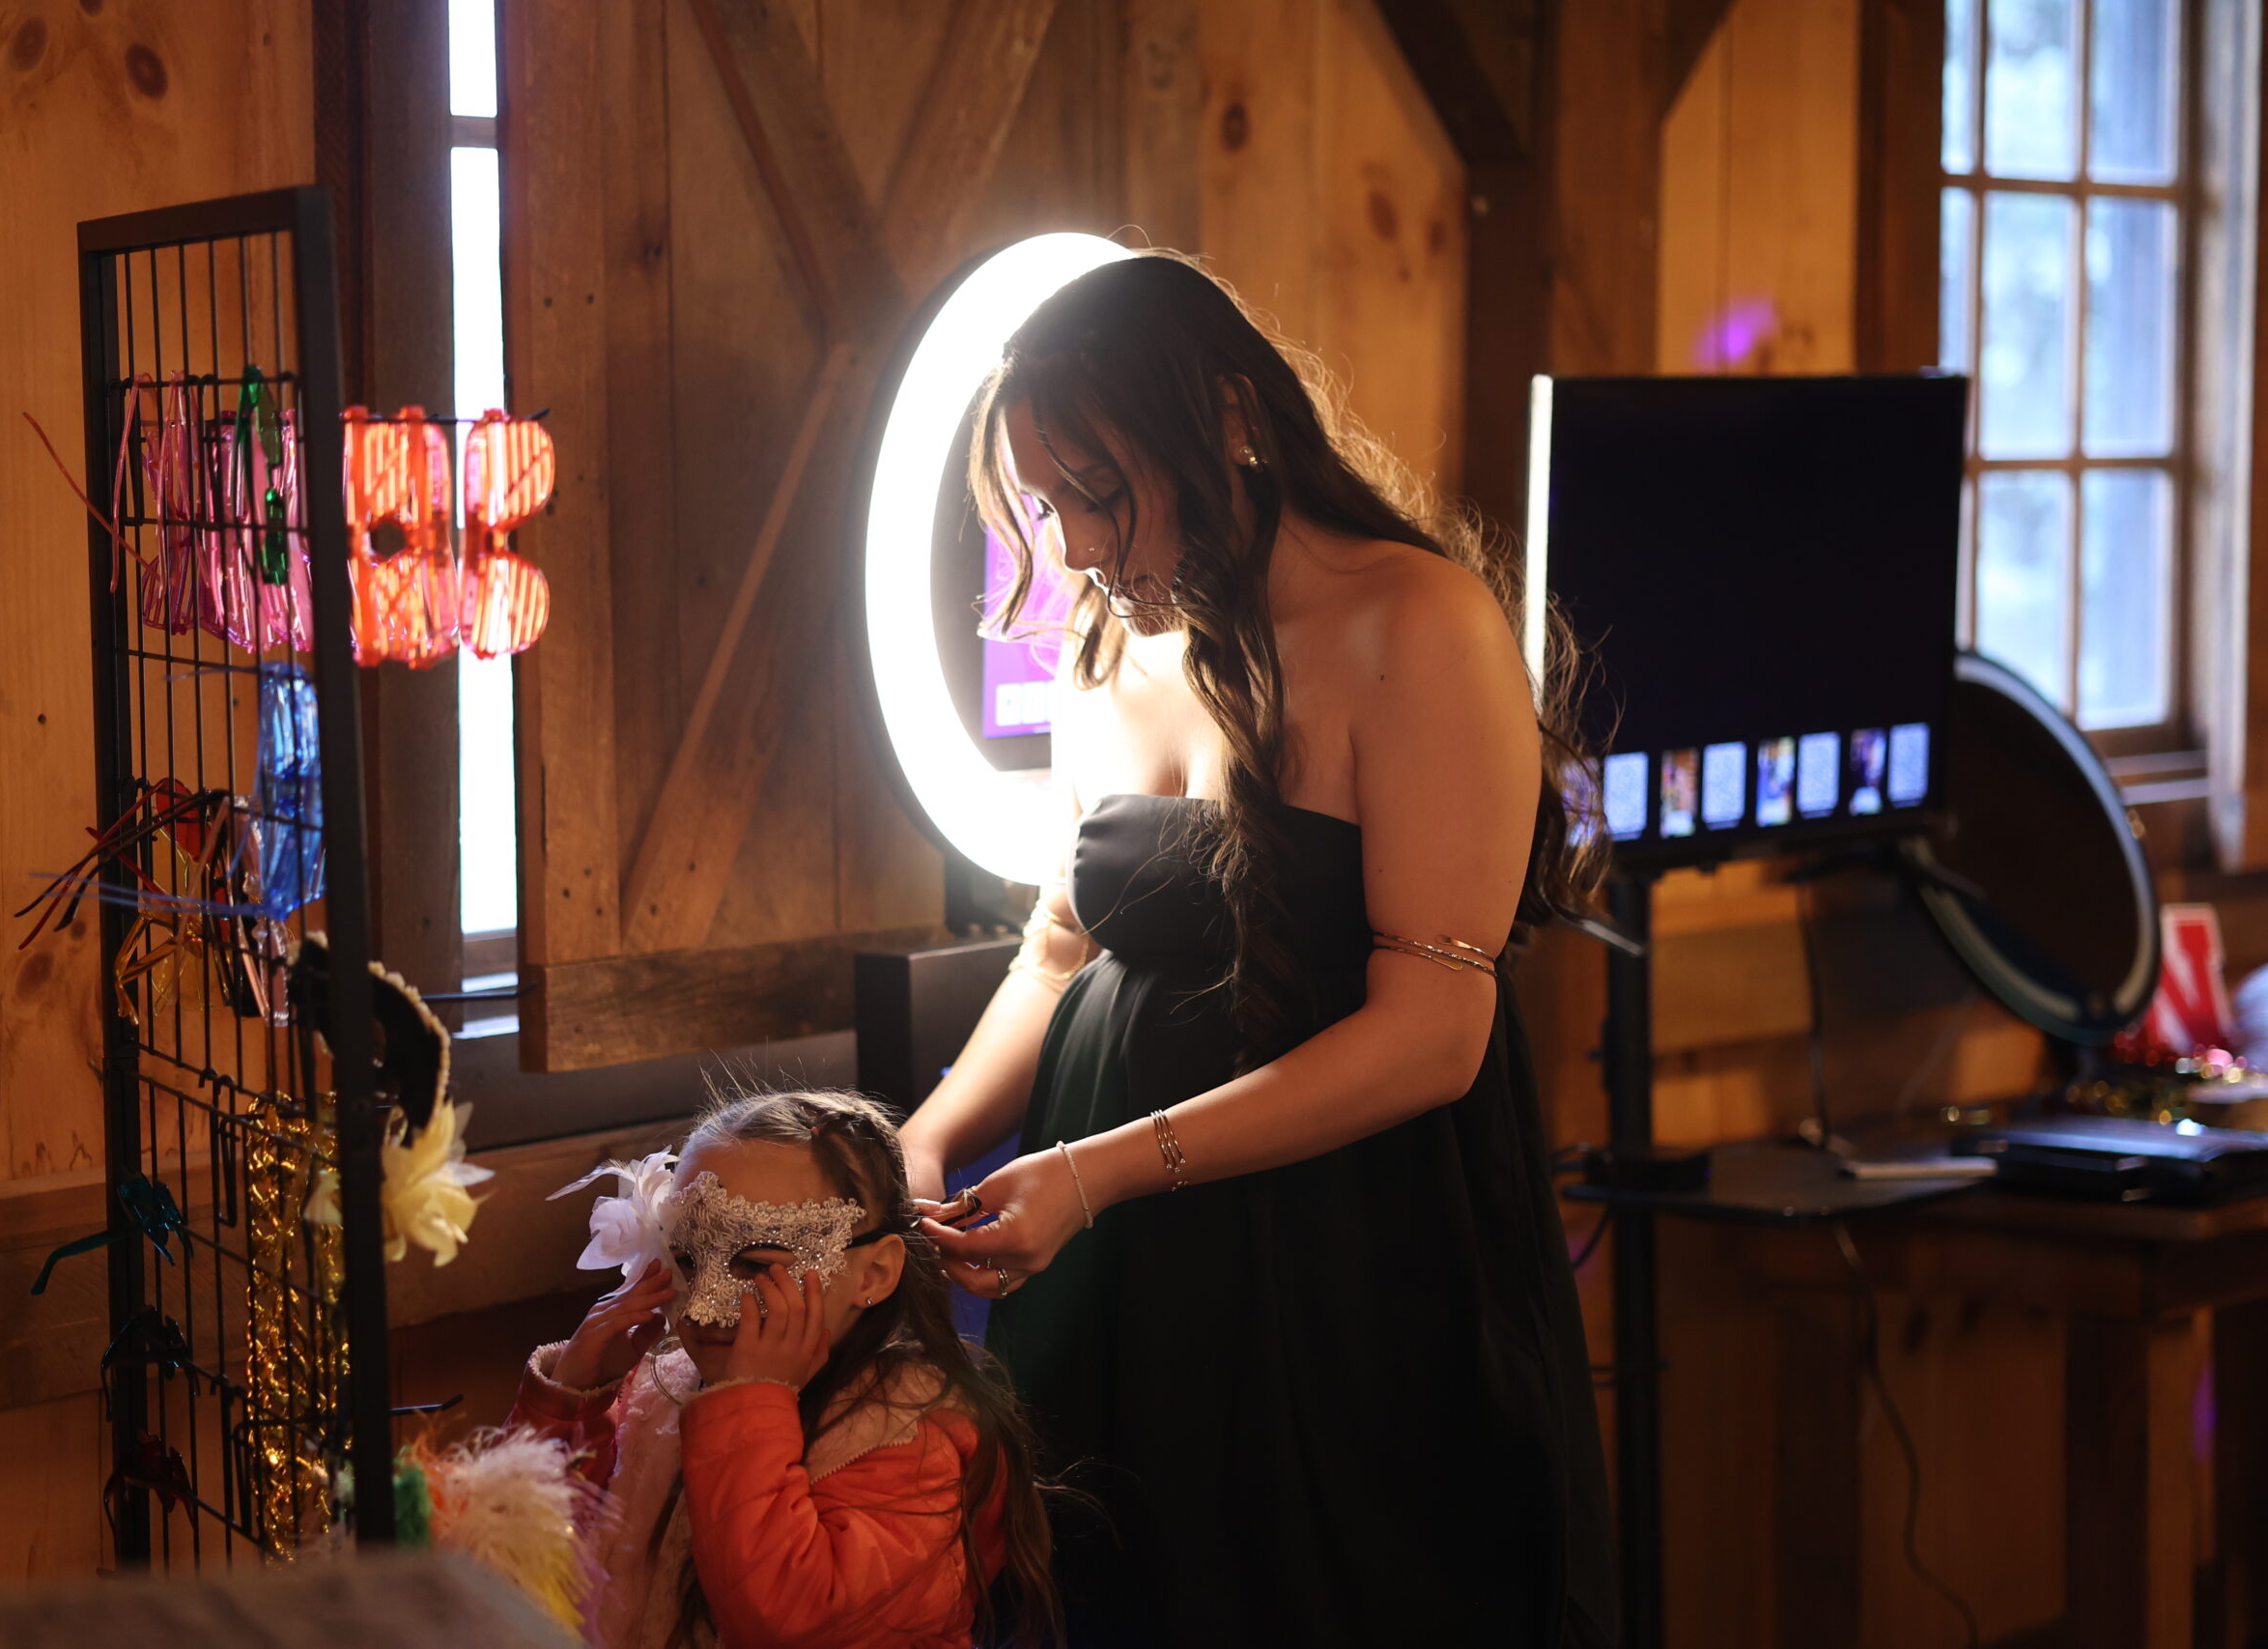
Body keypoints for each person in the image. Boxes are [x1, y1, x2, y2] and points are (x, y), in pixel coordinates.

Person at [897, 252, 1618, 1646]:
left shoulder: (1417, 624)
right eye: (1051, 508)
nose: (1084, 548)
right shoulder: (1105, 653)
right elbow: (1056, 952)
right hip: (1114, 1262)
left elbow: (1434, 1029)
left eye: (1099, 492)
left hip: (1346, 1260)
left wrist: (1096, 1172)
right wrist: (924, 1140)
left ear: (1230, 416)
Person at [510, 1091, 1062, 1649]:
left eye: (754, 1264)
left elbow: (786, 1622)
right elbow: (527, 1566)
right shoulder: (656, 1388)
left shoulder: (906, 1442)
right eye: (686, 1256)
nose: (702, 1305)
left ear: (873, 1273)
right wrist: (569, 1404)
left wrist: (747, 1408)